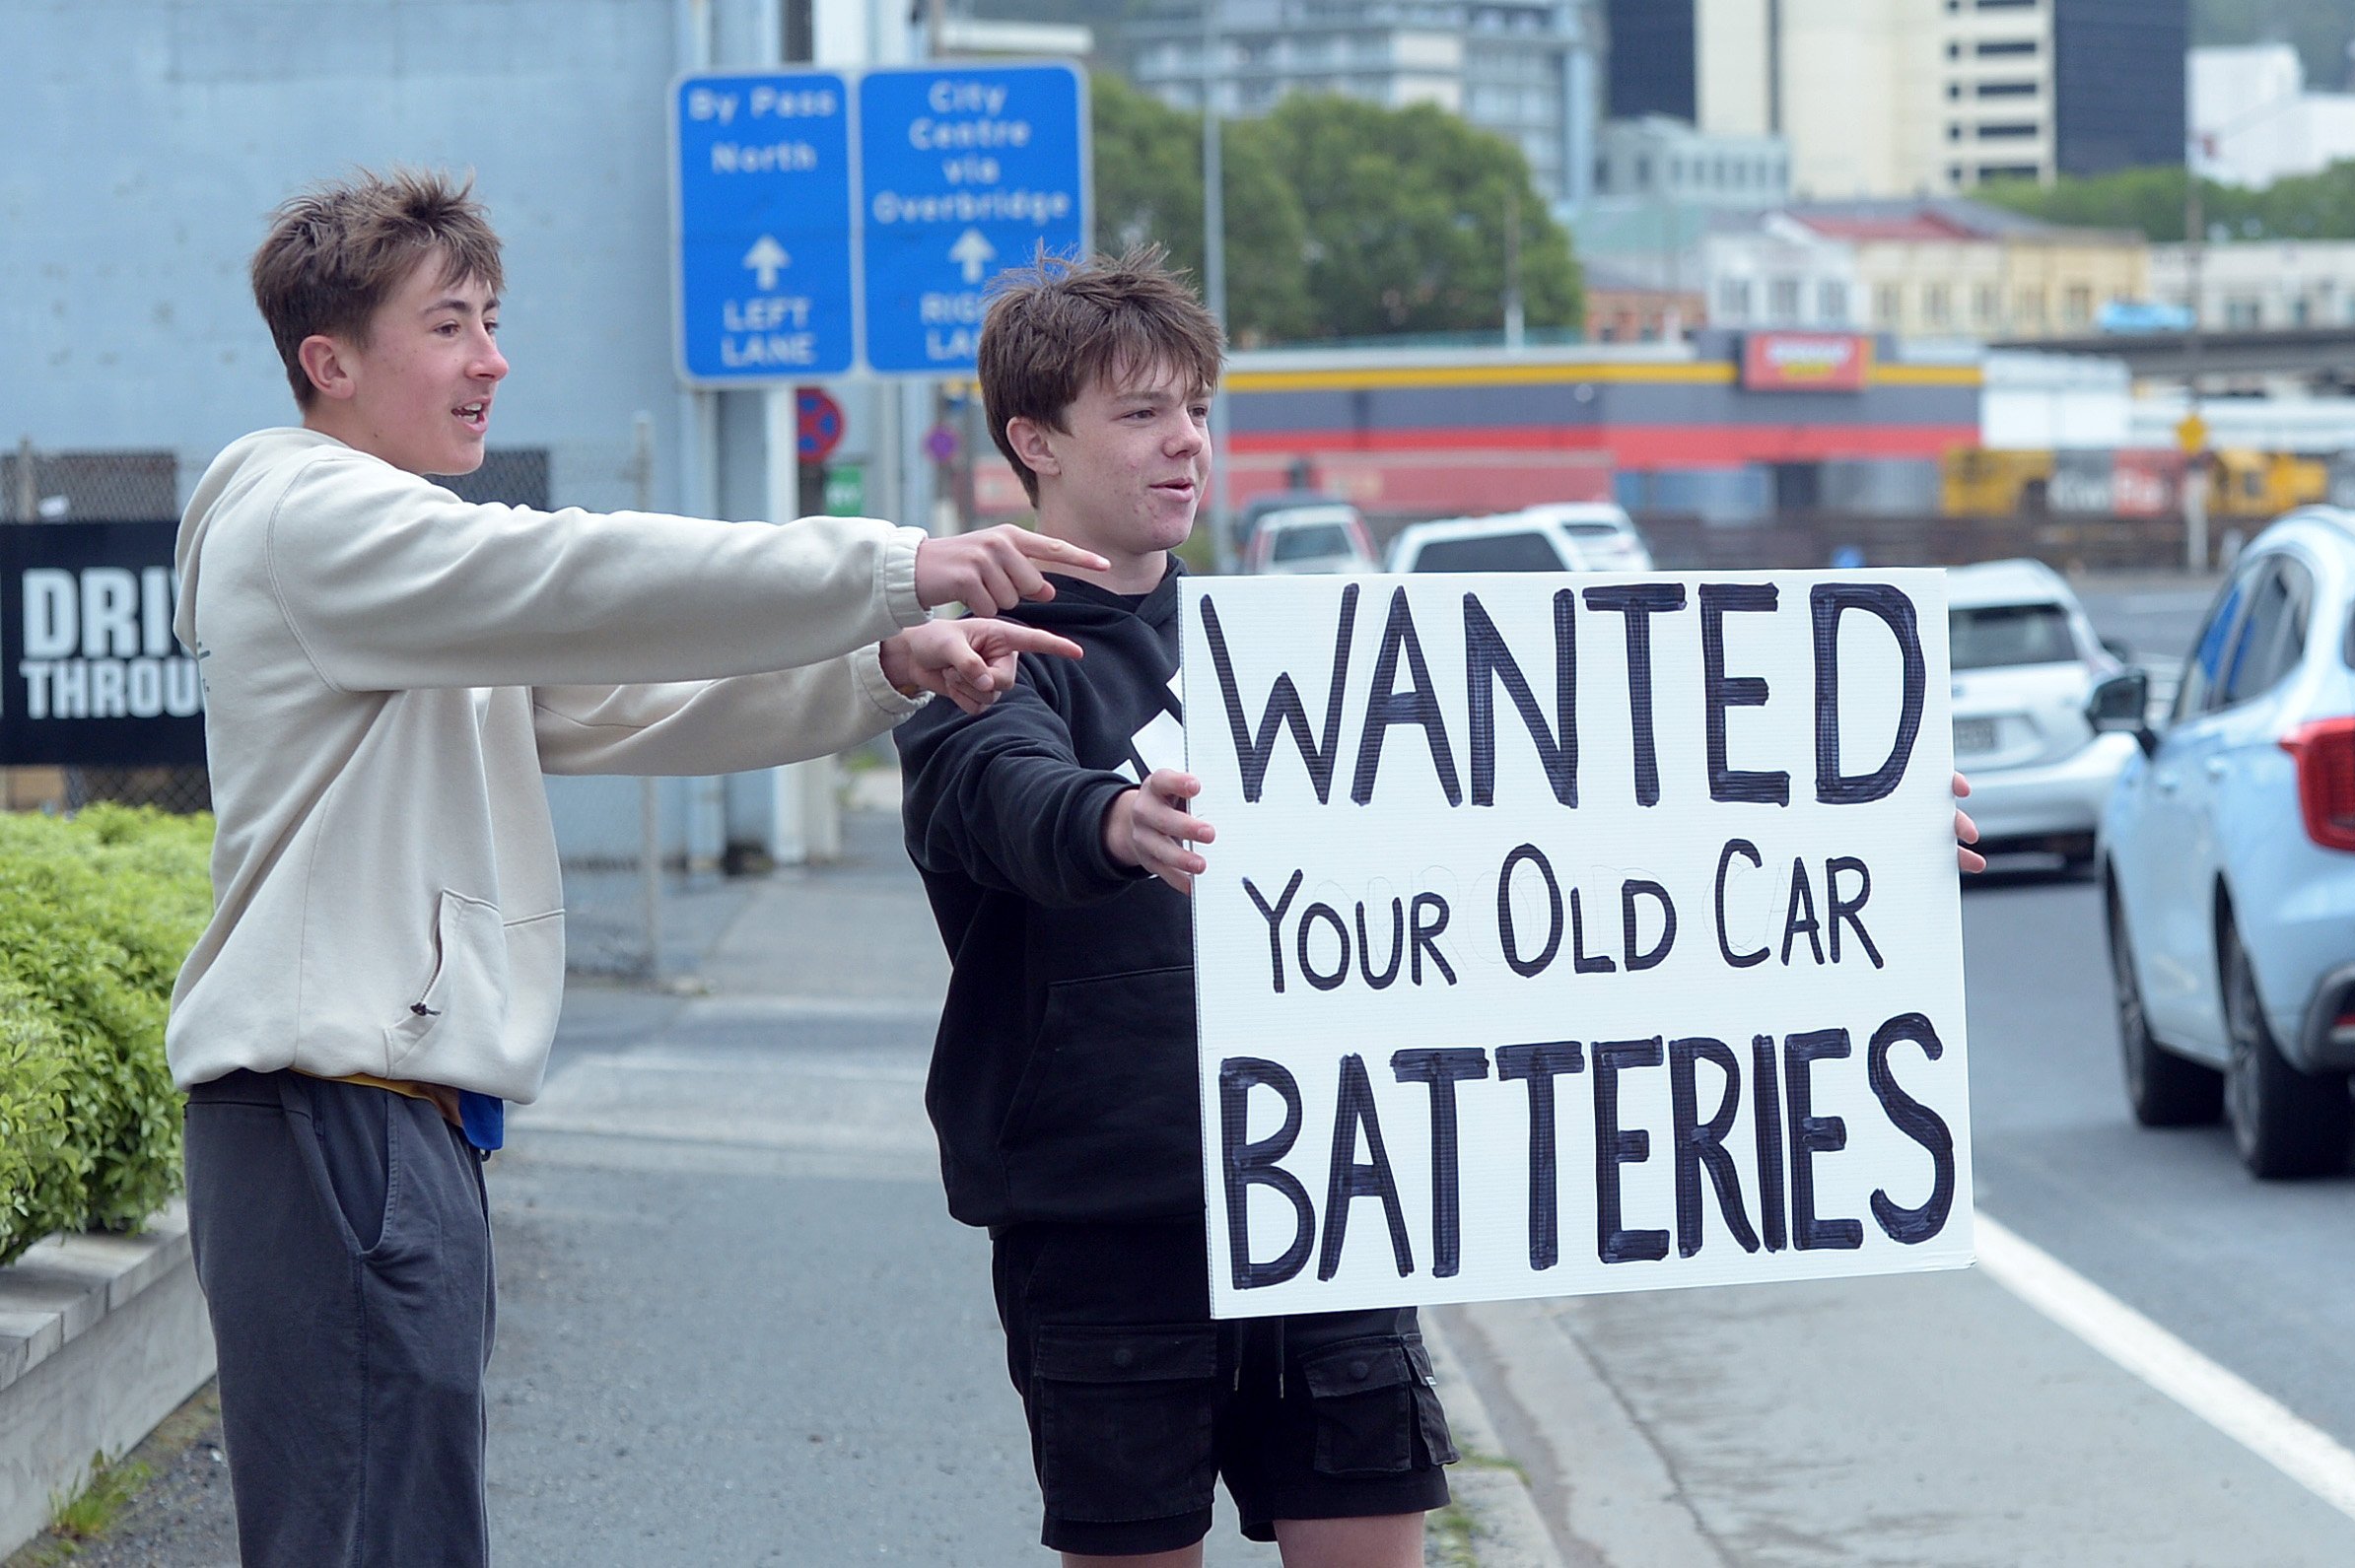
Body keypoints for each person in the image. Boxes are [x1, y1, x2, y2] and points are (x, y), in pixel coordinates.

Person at [896, 249, 1990, 1567]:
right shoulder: (977, 654)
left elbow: (1580, 817)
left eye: (1196, 408)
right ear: (1034, 440)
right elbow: (991, 788)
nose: (1186, 443)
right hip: (1109, 1211)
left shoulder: (1301, 653)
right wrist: (1109, 821)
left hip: (1333, 1191)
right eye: (1140, 414)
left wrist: (1859, 824)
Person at [169, 167, 1100, 1568]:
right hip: (334, 1126)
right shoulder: (321, 521)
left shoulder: (398, 569)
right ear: (330, 360)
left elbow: (620, 699)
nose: (492, 359)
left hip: (378, 1127)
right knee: (374, 1541)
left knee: (399, 1533)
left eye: (493, 318)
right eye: (449, 325)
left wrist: (879, 666)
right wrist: (899, 568)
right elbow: (583, 576)